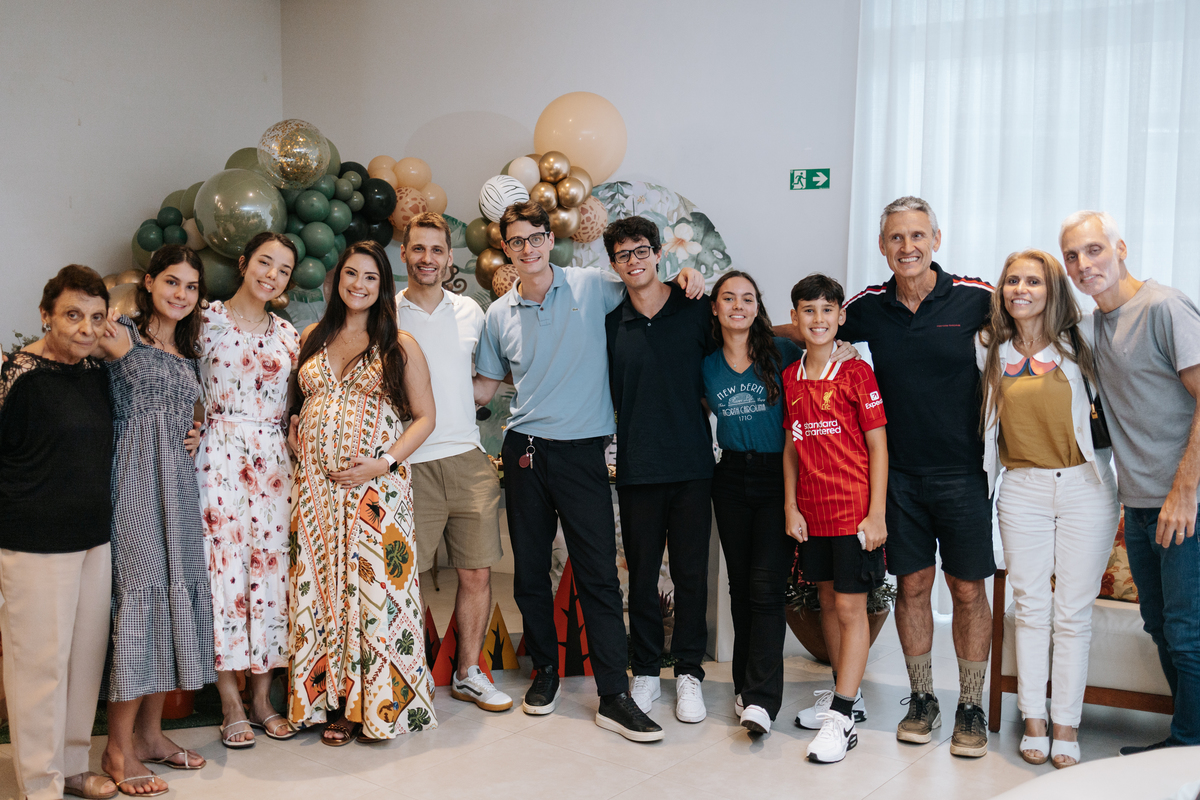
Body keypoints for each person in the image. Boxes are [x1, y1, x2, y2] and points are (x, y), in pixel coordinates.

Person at [473, 200, 704, 742]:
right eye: (516, 242)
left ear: (550, 240)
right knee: (529, 573)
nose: (527, 249)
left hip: (582, 453)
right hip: (524, 451)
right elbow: (483, 388)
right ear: (505, 249)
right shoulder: (497, 315)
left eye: (536, 238)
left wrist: (688, 275)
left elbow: (646, 281)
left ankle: (613, 695)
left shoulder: (592, 285)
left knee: (598, 575)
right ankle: (546, 674)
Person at [835, 196, 995, 756]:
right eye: (896, 238)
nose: (908, 247)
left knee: (969, 588)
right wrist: (725, 313)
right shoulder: (870, 305)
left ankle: (971, 706)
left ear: (937, 239)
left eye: (917, 236)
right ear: (882, 246)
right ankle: (923, 698)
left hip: (963, 472)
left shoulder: (976, 297)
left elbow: (1039, 319)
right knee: (912, 587)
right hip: (897, 476)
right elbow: (814, 320)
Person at [286, 240, 438, 744]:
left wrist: (384, 462)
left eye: (371, 277)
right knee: (322, 592)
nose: (358, 284)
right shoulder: (312, 336)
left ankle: (366, 705)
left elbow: (425, 418)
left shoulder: (400, 345)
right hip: (315, 495)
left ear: (383, 286)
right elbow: (298, 404)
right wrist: (297, 429)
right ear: (336, 280)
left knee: (371, 594)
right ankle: (326, 700)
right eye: (351, 274)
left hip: (376, 492)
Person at [1060, 211, 1200, 755]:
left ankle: (1188, 749)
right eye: (1073, 256)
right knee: (1162, 627)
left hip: (1185, 501)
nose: (1083, 264)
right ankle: (1186, 739)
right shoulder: (1093, 328)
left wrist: (1186, 492)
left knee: (1188, 634)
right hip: (1139, 503)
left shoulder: (1163, 307)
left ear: (1120, 248)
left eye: (1094, 250)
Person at [976, 249, 1119, 768]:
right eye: (1012, 280)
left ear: (1052, 290)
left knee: (1072, 615)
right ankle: (1033, 720)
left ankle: (1066, 725)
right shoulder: (988, 348)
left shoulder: (1083, 346)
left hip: (1085, 486)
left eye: (1033, 281)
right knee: (1031, 608)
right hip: (1021, 489)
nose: (1020, 290)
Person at [96, 244, 216, 796]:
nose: (181, 294)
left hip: (180, 489)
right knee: (140, 607)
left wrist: (193, 432)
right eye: (172, 282)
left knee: (170, 607)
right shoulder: (119, 333)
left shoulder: (189, 351)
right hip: (135, 486)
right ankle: (117, 747)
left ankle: (151, 734)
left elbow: (189, 409)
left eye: (191, 287)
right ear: (148, 282)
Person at [0, 266, 117, 800]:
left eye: (96, 317)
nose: (84, 328)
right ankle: (39, 783)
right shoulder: (16, 374)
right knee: (39, 668)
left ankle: (71, 766)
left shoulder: (97, 373)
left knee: (83, 660)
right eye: (72, 315)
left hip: (94, 537)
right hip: (33, 540)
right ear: (45, 315)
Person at [396, 211, 511, 713]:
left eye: (436, 250)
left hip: (467, 459)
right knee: (405, 578)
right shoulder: (384, 313)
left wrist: (459, 407)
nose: (427, 258)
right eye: (418, 249)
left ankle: (468, 672)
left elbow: (486, 382)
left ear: (448, 256)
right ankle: (407, 673)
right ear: (403, 254)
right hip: (408, 463)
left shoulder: (472, 313)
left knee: (476, 575)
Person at [603, 215, 716, 724]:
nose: (634, 261)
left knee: (691, 575)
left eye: (641, 250)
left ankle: (689, 671)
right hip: (638, 469)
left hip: (692, 465)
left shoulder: (696, 309)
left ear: (657, 253)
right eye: (623, 254)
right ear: (614, 264)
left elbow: (742, 349)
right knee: (643, 578)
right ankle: (646, 668)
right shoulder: (610, 324)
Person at [195, 232, 301, 746]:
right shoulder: (205, 321)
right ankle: (230, 699)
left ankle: (262, 697)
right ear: (243, 263)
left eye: (283, 270)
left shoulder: (289, 335)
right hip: (217, 457)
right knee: (225, 573)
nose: (272, 275)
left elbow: (298, 404)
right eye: (265, 262)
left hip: (274, 463)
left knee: (271, 570)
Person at [782, 274, 889, 764]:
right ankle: (847, 698)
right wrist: (791, 504)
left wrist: (876, 514)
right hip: (813, 513)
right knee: (826, 602)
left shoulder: (857, 372)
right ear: (796, 317)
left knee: (851, 608)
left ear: (841, 316)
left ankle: (842, 718)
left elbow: (877, 446)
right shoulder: (791, 376)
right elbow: (790, 448)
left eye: (828, 310)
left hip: (852, 513)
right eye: (808, 310)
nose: (818, 319)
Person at [702, 270, 803, 734]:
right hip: (730, 477)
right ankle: (745, 689)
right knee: (740, 590)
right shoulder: (704, 363)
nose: (738, 306)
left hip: (778, 476)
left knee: (766, 588)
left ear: (758, 307)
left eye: (747, 299)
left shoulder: (782, 354)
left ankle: (763, 700)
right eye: (728, 298)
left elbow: (815, 333)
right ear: (716, 307)